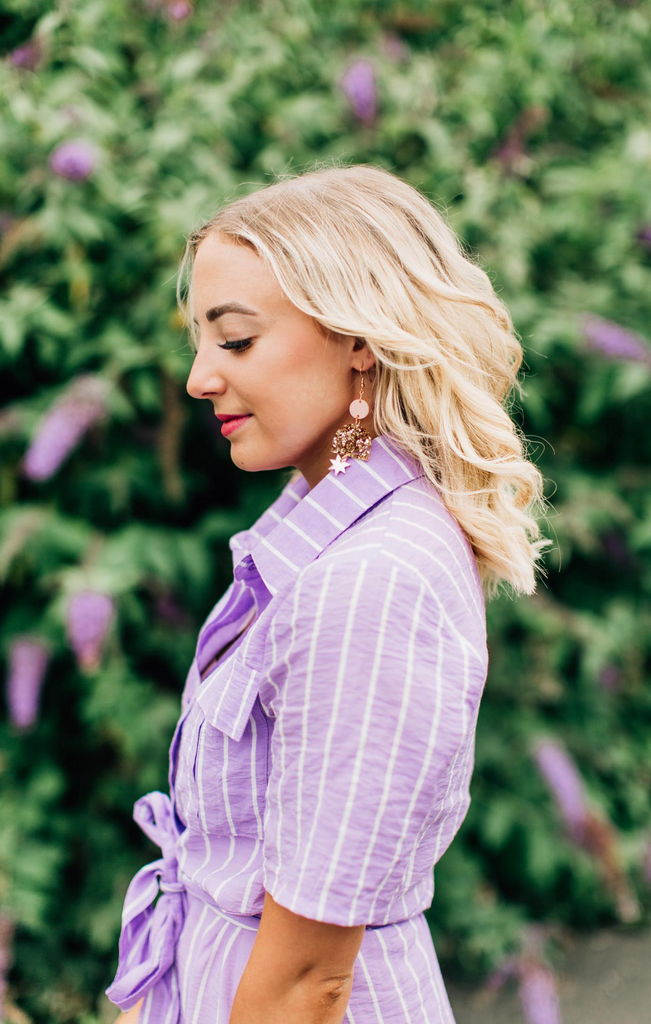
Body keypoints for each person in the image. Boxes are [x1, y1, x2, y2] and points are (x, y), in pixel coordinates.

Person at [105, 162, 551, 1024]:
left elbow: (310, 981)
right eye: (198, 342)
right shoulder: (315, 532)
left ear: (359, 337)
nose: (199, 377)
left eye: (234, 341)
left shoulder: (371, 584)